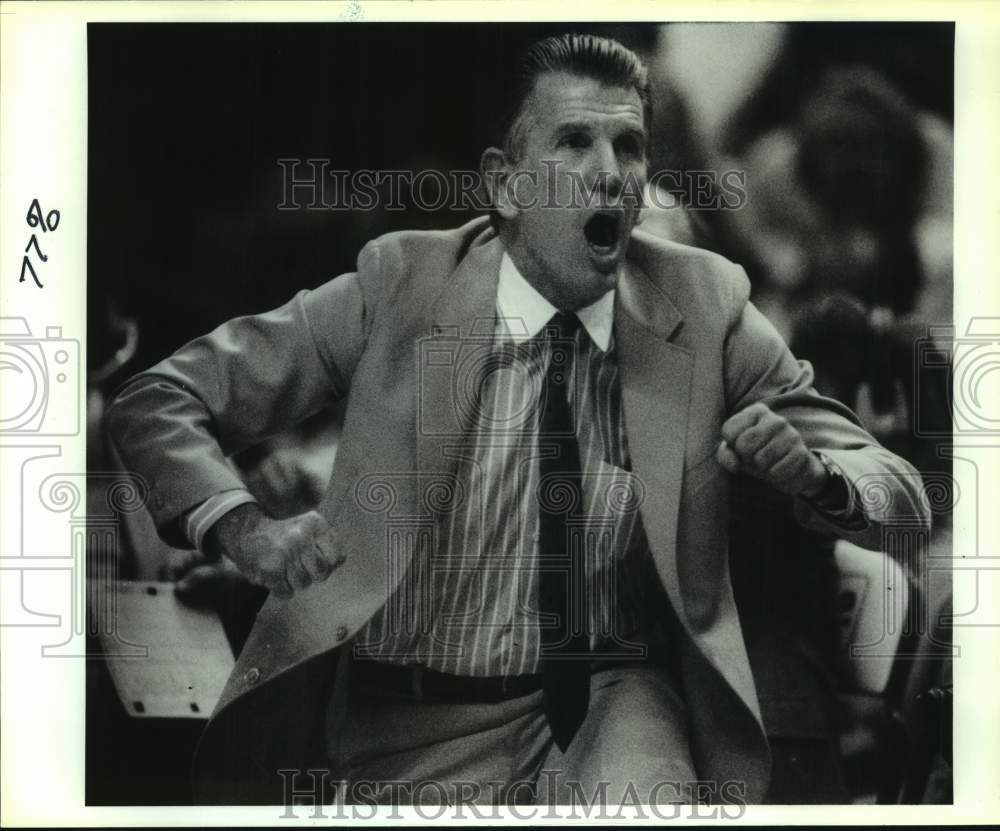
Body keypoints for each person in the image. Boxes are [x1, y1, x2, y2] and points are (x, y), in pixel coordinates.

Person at [106, 34, 929, 807]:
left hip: (613, 707)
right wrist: (242, 527)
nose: (611, 173)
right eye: (574, 143)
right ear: (505, 182)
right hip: (408, 725)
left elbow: (898, 492)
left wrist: (816, 473)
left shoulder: (705, 304)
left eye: (630, 147)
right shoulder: (398, 285)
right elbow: (159, 401)